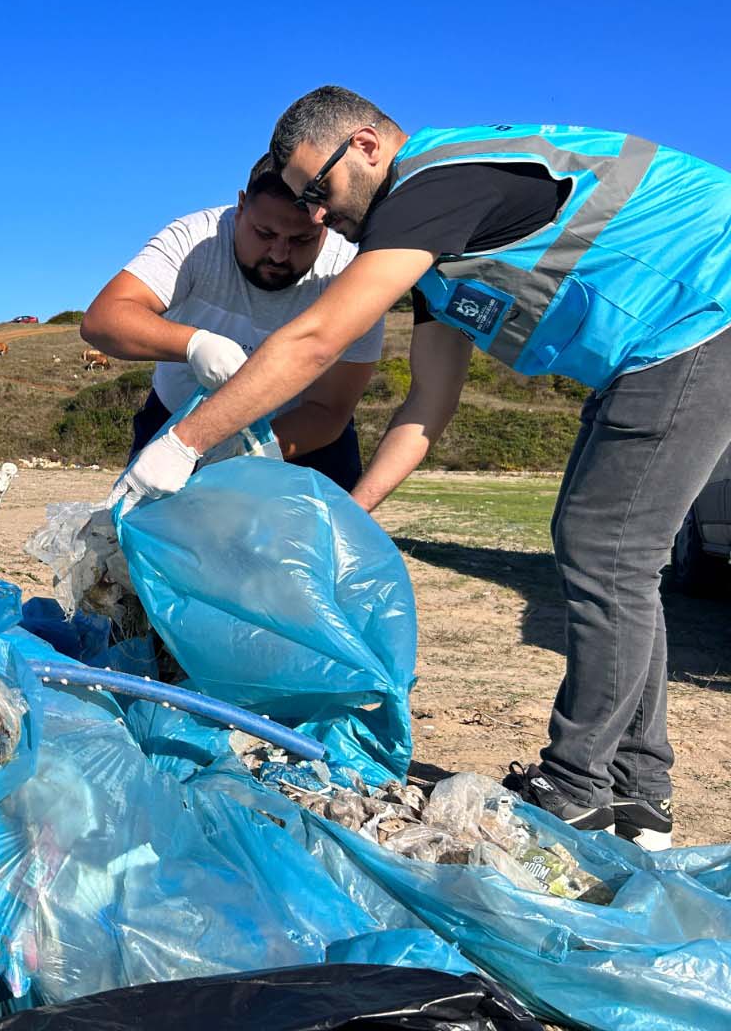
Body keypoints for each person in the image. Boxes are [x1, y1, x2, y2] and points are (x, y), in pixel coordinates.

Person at [111, 86, 731, 849]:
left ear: (366, 147)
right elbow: (425, 411)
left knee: (607, 551)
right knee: (611, 554)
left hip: (705, 314)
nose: (316, 215)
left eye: (319, 191)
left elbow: (313, 342)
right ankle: (637, 795)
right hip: (659, 347)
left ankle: (576, 789)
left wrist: (184, 444)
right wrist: (351, 509)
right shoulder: (437, 253)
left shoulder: (434, 185)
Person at [82, 157, 380, 489]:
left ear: (324, 222)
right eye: (264, 233)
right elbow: (103, 318)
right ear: (240, 207)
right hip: (176, 416)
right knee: (147, 533)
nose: (279, 255)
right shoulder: (196, 238)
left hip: (301, 434)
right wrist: (194, 344)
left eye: (301, 240)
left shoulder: (351, 273)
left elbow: (328, 411)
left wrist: (244, 452)